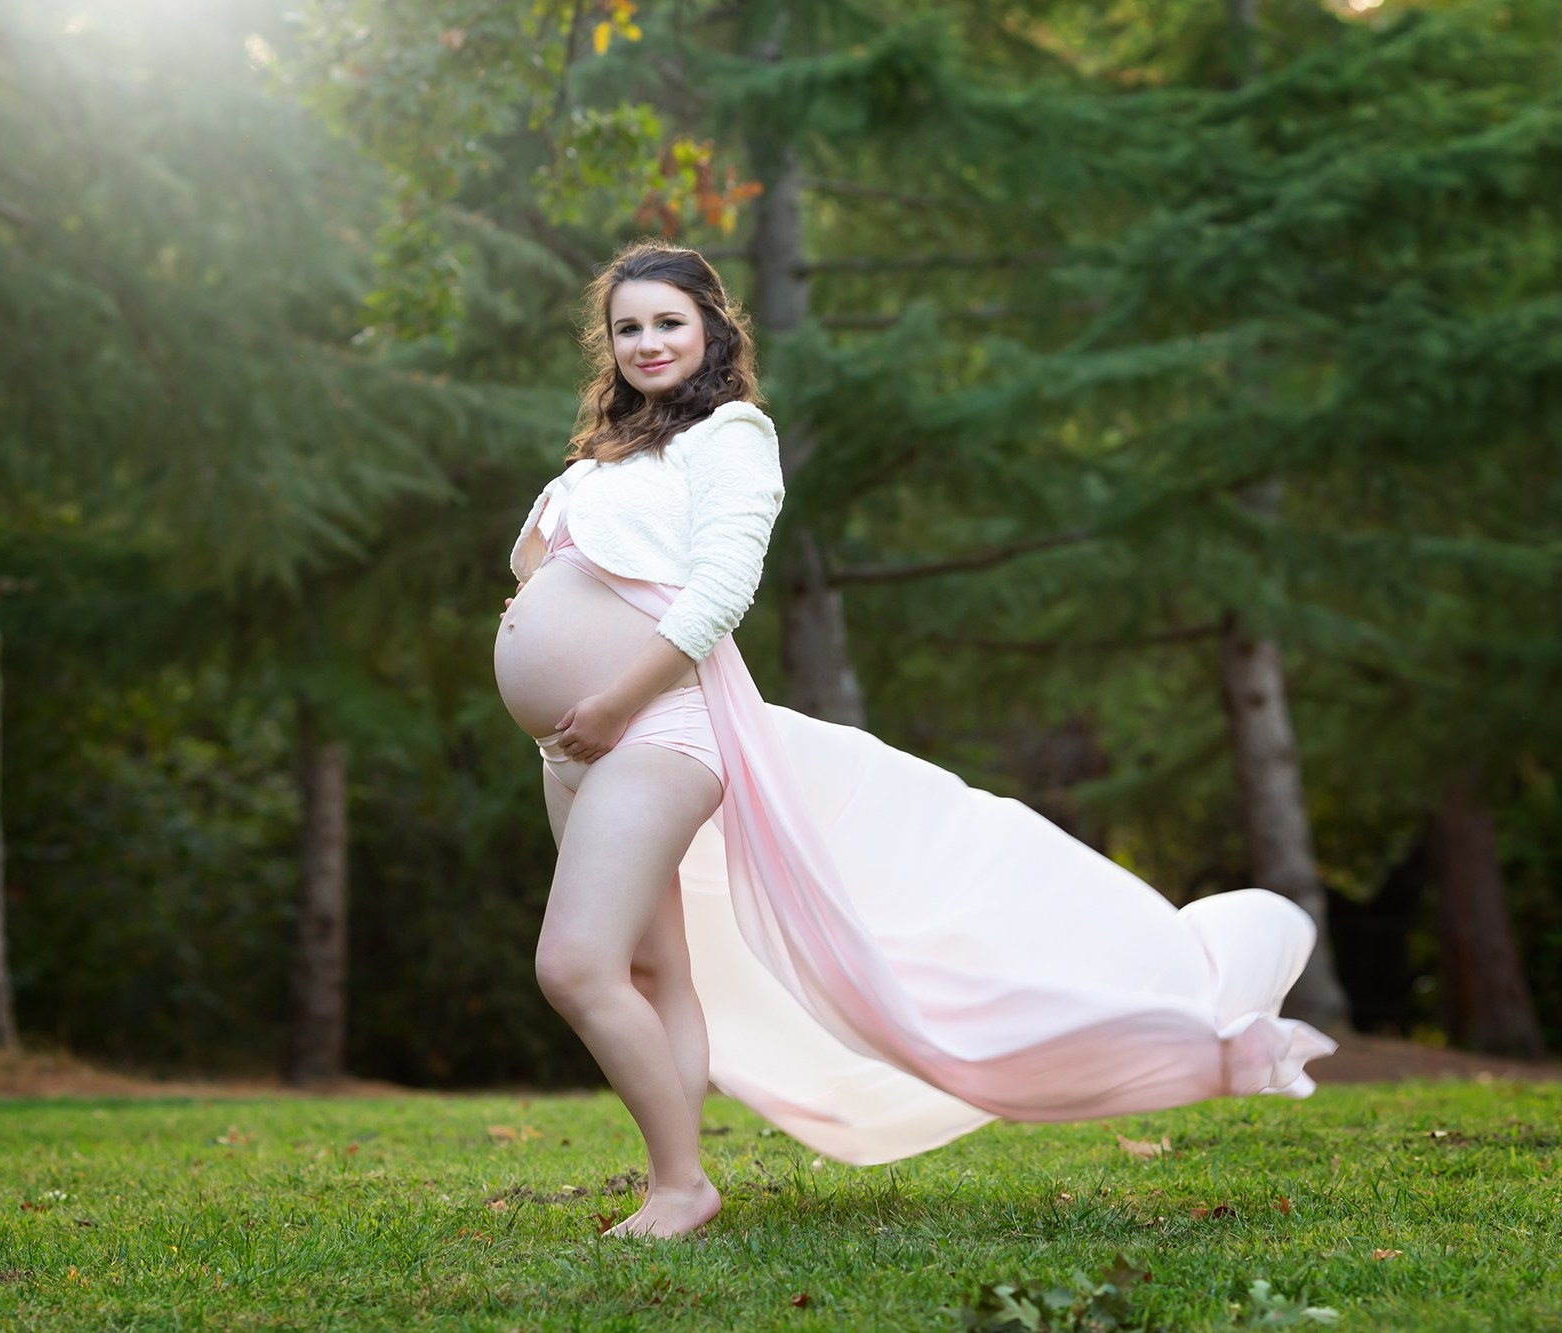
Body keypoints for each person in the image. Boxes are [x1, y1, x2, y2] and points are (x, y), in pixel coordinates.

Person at [492, 238, 1335, 1240]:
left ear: (711, 328)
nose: (647, 341)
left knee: (574, 967)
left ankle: (681, 1190)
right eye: (627, 327)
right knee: (650, 970)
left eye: (667, 321)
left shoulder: (730, 435)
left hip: (654, 727)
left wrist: (606, 700)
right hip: (574, 745)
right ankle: (673, 1181)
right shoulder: (607, 455)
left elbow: (720, 592)